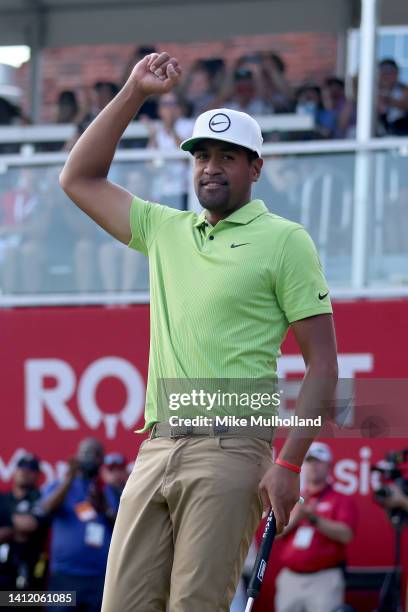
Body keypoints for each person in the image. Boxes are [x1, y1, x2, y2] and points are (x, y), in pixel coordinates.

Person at [59, 51, 338, 612]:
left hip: (233, 447)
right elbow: (79, 177)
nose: (211, 166)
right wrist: (134, 92)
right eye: (202, 155)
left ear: (255, 168)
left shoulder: (285, 240)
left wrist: (288, 463)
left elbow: (324, 366)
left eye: (228, 156)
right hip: (156, 445)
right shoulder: (166, 229)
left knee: (194, 606)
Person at [275, 442, 357, 612]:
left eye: (319, 462)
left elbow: (346, 535)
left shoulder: (340, 498)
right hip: (290, 577)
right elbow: (275, 534)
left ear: (329, 466)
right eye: (310, 461)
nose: (313, 466)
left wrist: (314, 519)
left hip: (324, 579)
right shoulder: (293, 498)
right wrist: (297, 517)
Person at [41, 438, 119, 612]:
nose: (90, 457)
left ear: (102, 459)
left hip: (99, 577)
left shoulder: (109, 491)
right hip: (65, 575)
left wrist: (105, 508)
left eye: (95, 453)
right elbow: (46, 509)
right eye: (85, 453)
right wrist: (69, 480)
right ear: (77, 456)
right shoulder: (59, 485)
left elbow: (121, 529)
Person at [0, 454, 48, 593]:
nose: (24, 472)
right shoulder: (3, 499)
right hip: (3, 570)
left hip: (31, 570)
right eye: (21, 467)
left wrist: (7, 522)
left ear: (38, 475)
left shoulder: (40, 499)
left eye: (30, 469)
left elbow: (30, 525)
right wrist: (16, 528)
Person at [377, 58, 408, 136]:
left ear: (396, 73)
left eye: (389, 72)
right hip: (382, 132)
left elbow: (405, 105)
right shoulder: (373, 92)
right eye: (382, 72)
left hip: (401, 130)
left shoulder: (403, 89)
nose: (385, 76)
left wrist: (389, 100)